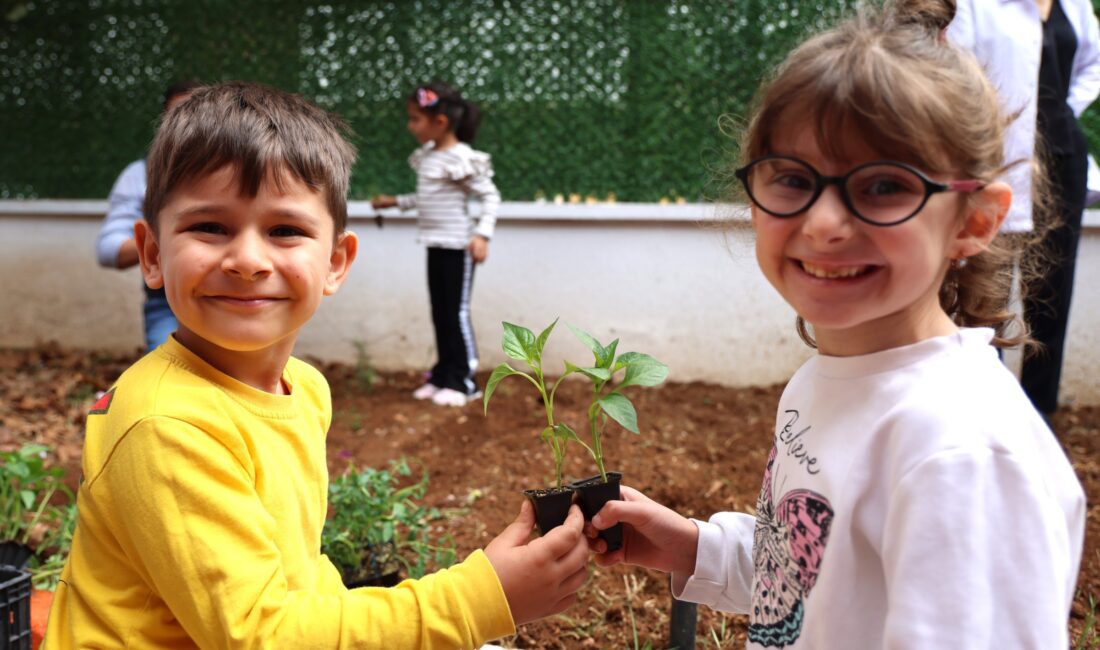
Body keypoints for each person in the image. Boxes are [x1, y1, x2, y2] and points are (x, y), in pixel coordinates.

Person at [586, 3, 1086, 647]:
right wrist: (696, 547)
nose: (824, 223)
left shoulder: (962, 458)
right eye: (794, 179)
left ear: (975, 221)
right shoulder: (829, 378)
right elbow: (817, 576)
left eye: (883, 186)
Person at [43, 81, 589, 648]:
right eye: (210, 227)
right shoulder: (167, 425)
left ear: (335, 262)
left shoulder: (303, 388)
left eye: (284, 230)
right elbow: (262, 636)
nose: (247, 260)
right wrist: (477, 602)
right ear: (152, 255)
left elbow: (297, 577)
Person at [948, 0, 1100, 418]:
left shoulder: (1075, 5)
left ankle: (1039, 419)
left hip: (1061, 160)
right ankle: (987, 418)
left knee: (1051, 295)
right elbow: (955, 75)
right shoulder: (974, 5)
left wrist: (1062, 110)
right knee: (984, 295)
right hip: (994, 163)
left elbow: (1093, 63)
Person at [371, 81, 501, 408]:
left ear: (440, 122)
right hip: (435, 244)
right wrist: (394, 202)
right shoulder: (429, 157)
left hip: (459, 248)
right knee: (440, 313)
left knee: (456, 313)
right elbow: (427, 197)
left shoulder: (462, 159)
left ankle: (464, 381)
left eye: (415, 119)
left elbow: (490, 196)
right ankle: (443, 376)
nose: (410, 126)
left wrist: (482, 235)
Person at [96, 79, 203, 351]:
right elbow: (108, 250)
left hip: (234, 296)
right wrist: (166, 237)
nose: (186, 126)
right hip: (167, 302)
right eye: (177, 116)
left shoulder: (244, 169)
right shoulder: (140, 175)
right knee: (170, 368)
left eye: (196, 114)